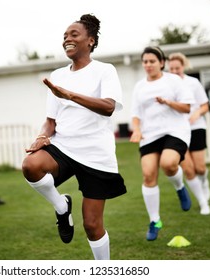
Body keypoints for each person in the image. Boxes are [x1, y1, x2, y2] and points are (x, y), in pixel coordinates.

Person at [22, 14, 127, 260]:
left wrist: (70, 95)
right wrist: (42, 136)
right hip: (64, 146)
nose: (67, 39)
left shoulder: (105, 70)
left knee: (92, 225)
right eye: (65, 36)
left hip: (96, 154)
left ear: (90, 41)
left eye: (74, 34)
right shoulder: (57, 75)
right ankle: (61, 207)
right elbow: (51, 121)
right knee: (31, 165)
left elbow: (109, 106)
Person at [130, 46, 194, 241]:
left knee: (168, 164)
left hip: (175, 130)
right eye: (145, 62)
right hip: (150, 135)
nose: (148, 65)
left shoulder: (173, 80)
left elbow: (186, 107)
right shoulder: (139, 86)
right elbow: (135, 114)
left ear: (161, 63)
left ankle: (179, 187)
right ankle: (155, 221)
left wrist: (167, 102)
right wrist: (137, 130)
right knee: (148, 175)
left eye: (152, 61)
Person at [168, 52, 210, 214]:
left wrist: (196, 113)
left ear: (183, 66)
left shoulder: (193, 83)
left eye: (177, 68)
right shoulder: (165, 84)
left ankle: (204, 181)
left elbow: (205, 105)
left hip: (196, 128)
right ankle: (203, 202)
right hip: (177, 131)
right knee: (188, 169)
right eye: (171, 68)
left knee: (200, 168)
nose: (174, 71)